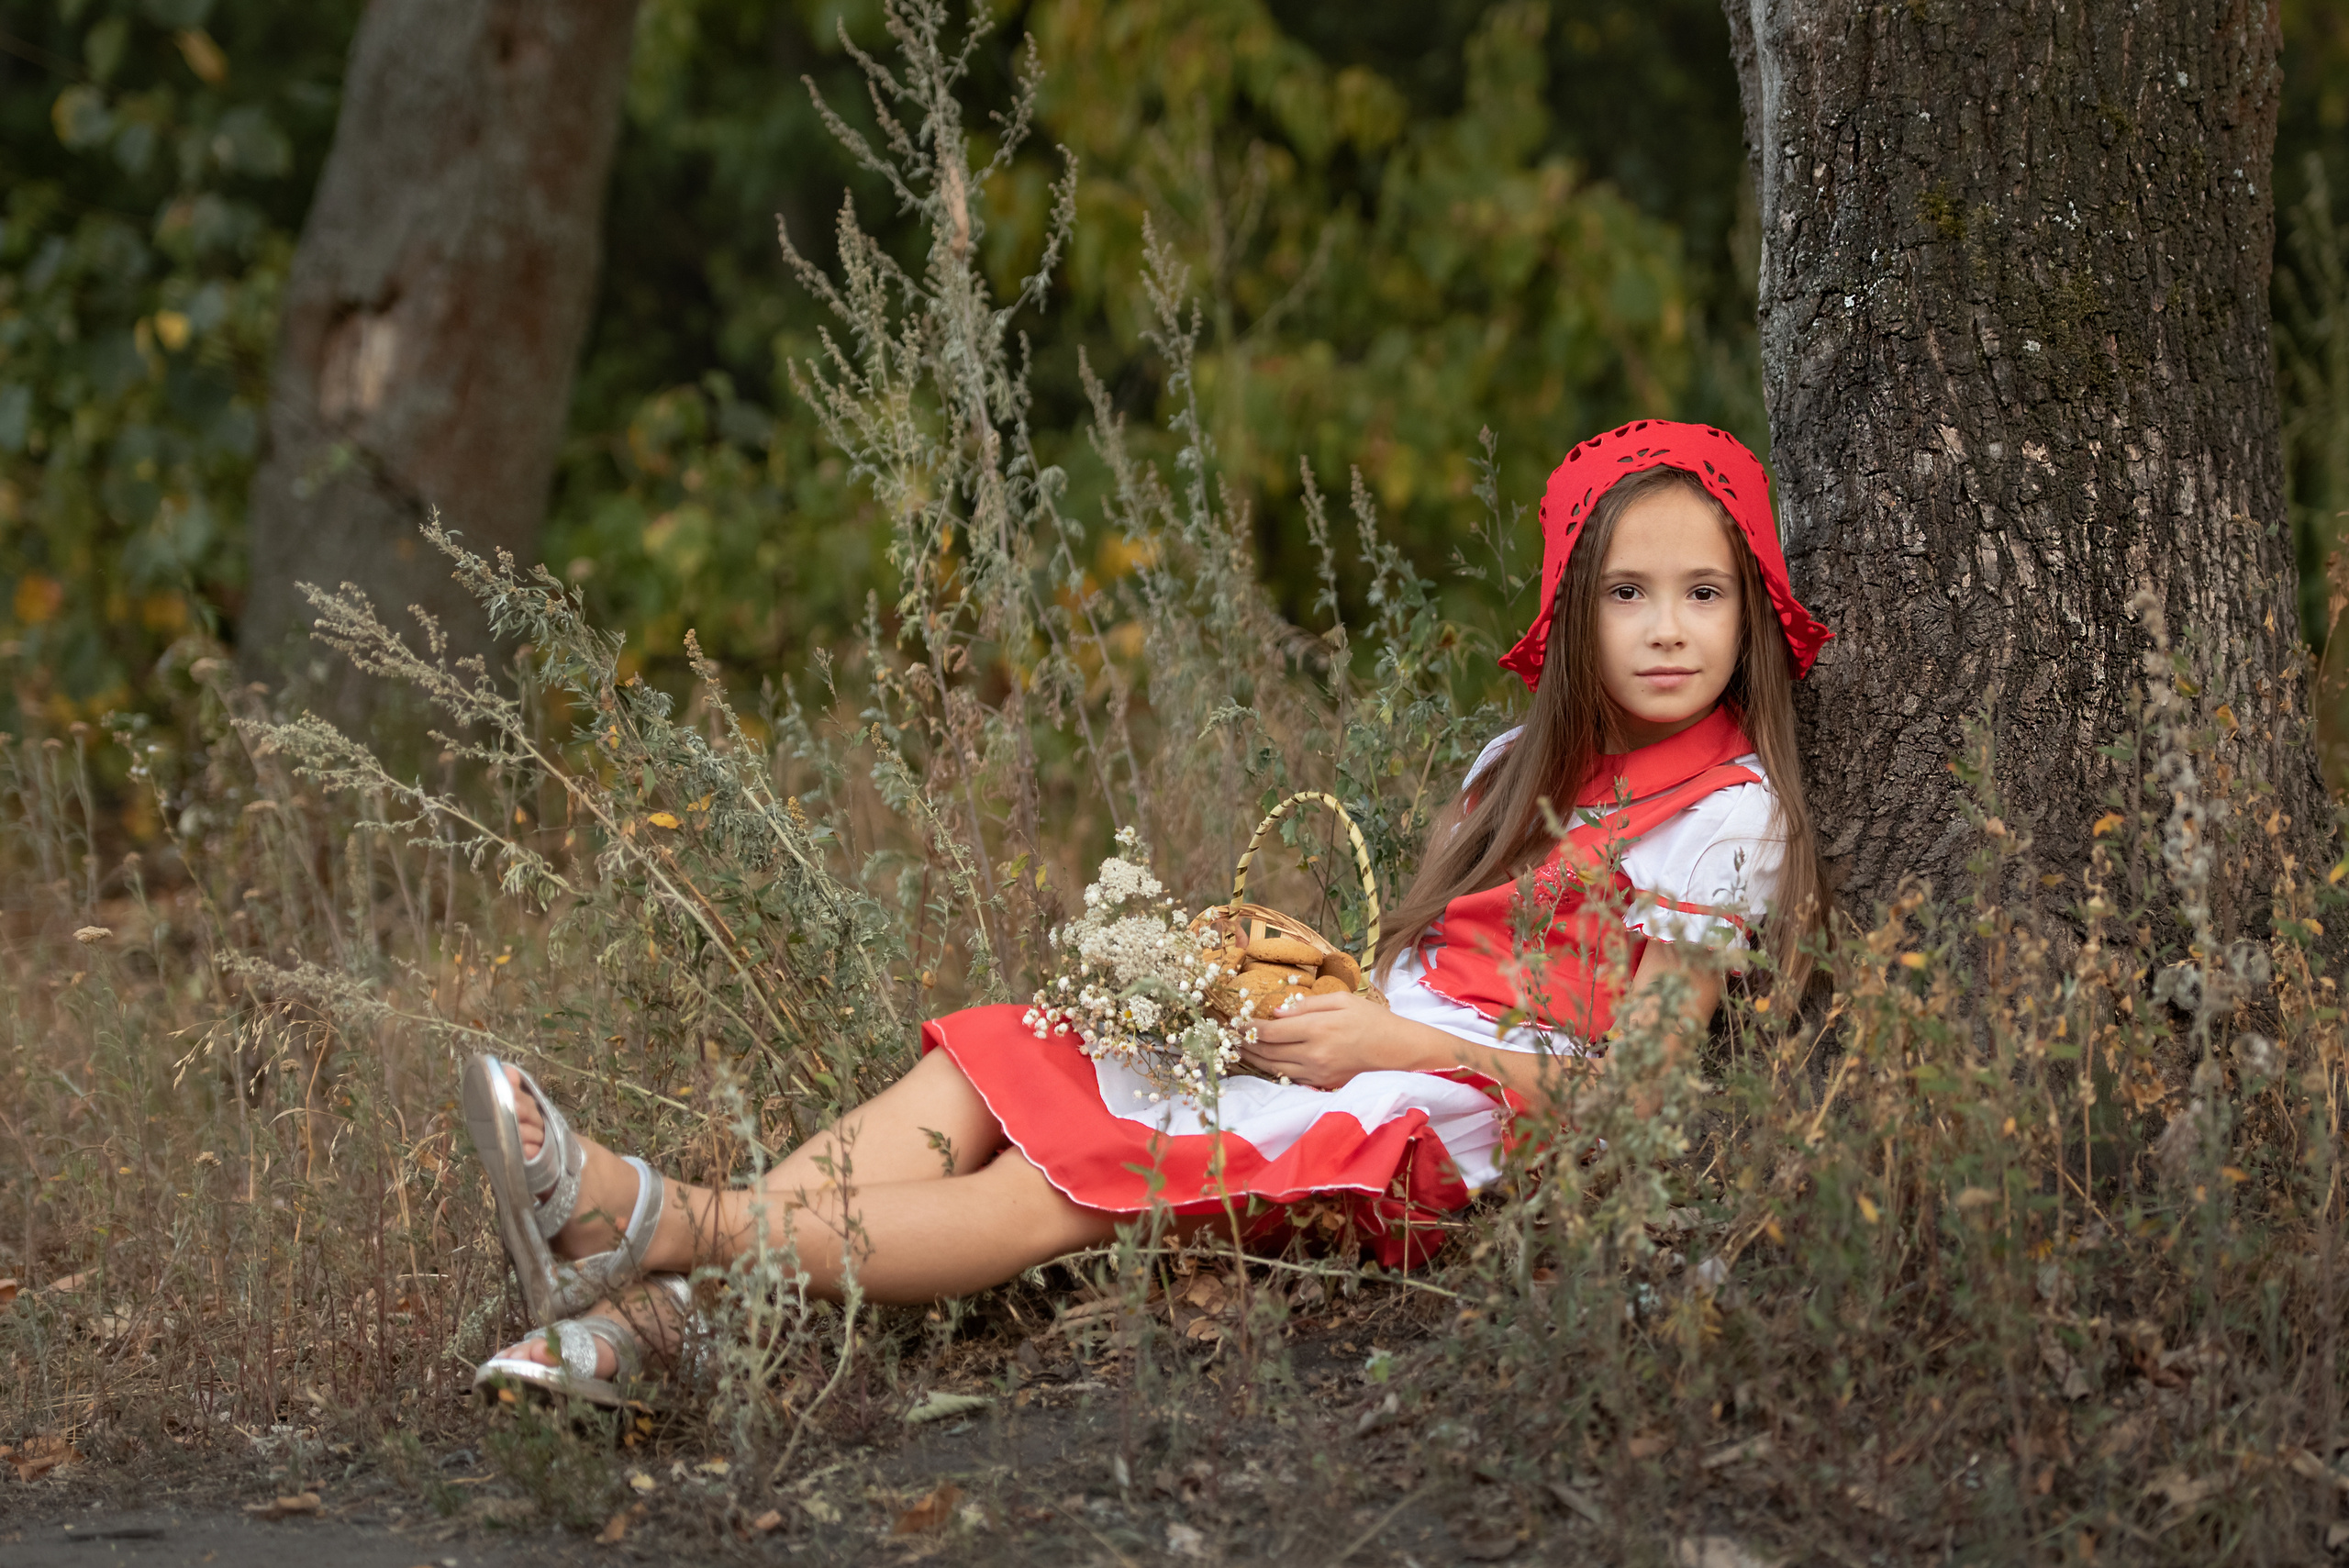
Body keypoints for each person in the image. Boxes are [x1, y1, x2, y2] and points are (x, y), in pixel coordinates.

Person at [466, 420, 1832, 1406]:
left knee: (1055, 1186)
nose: (1667, 627)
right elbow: (1421, 966)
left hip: (1452, 1122)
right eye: (1629, 592)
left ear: (1753, 612)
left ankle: (652, 1219)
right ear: (1571, 611)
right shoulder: (1512, 769)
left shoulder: (1730, 818)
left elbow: (1644, 1093)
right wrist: (1294, 1002)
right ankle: (660, 1328)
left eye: (1704, 592)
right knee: (996, 1059)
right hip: (1366, 1052)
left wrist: (1387, 1049)